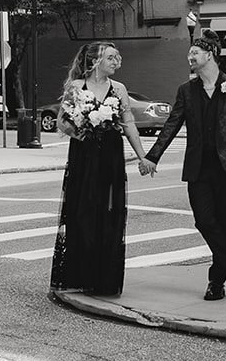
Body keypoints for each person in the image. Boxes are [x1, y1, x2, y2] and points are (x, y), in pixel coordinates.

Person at [140, 30, 226, 303]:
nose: (189, 57)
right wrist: (152, 157)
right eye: (189, 53)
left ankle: (216, 283)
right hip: (198, 167)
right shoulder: (186, 90)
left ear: (210, 54)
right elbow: (172, 125)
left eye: (194, 52)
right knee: (204, 220)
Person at [49, 42, 154, 298]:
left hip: (110, 156)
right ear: (95, 61)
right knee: (82, 211)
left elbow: (128, 123)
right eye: (111, 58)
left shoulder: (119, 89)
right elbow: (62, 121)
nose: (117, 62)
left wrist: (143, 157)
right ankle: (79, 276)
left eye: (117, 57)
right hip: (84, 156)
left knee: (109, 213)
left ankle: (104, 279)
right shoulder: (77, 87)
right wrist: (82, 132)